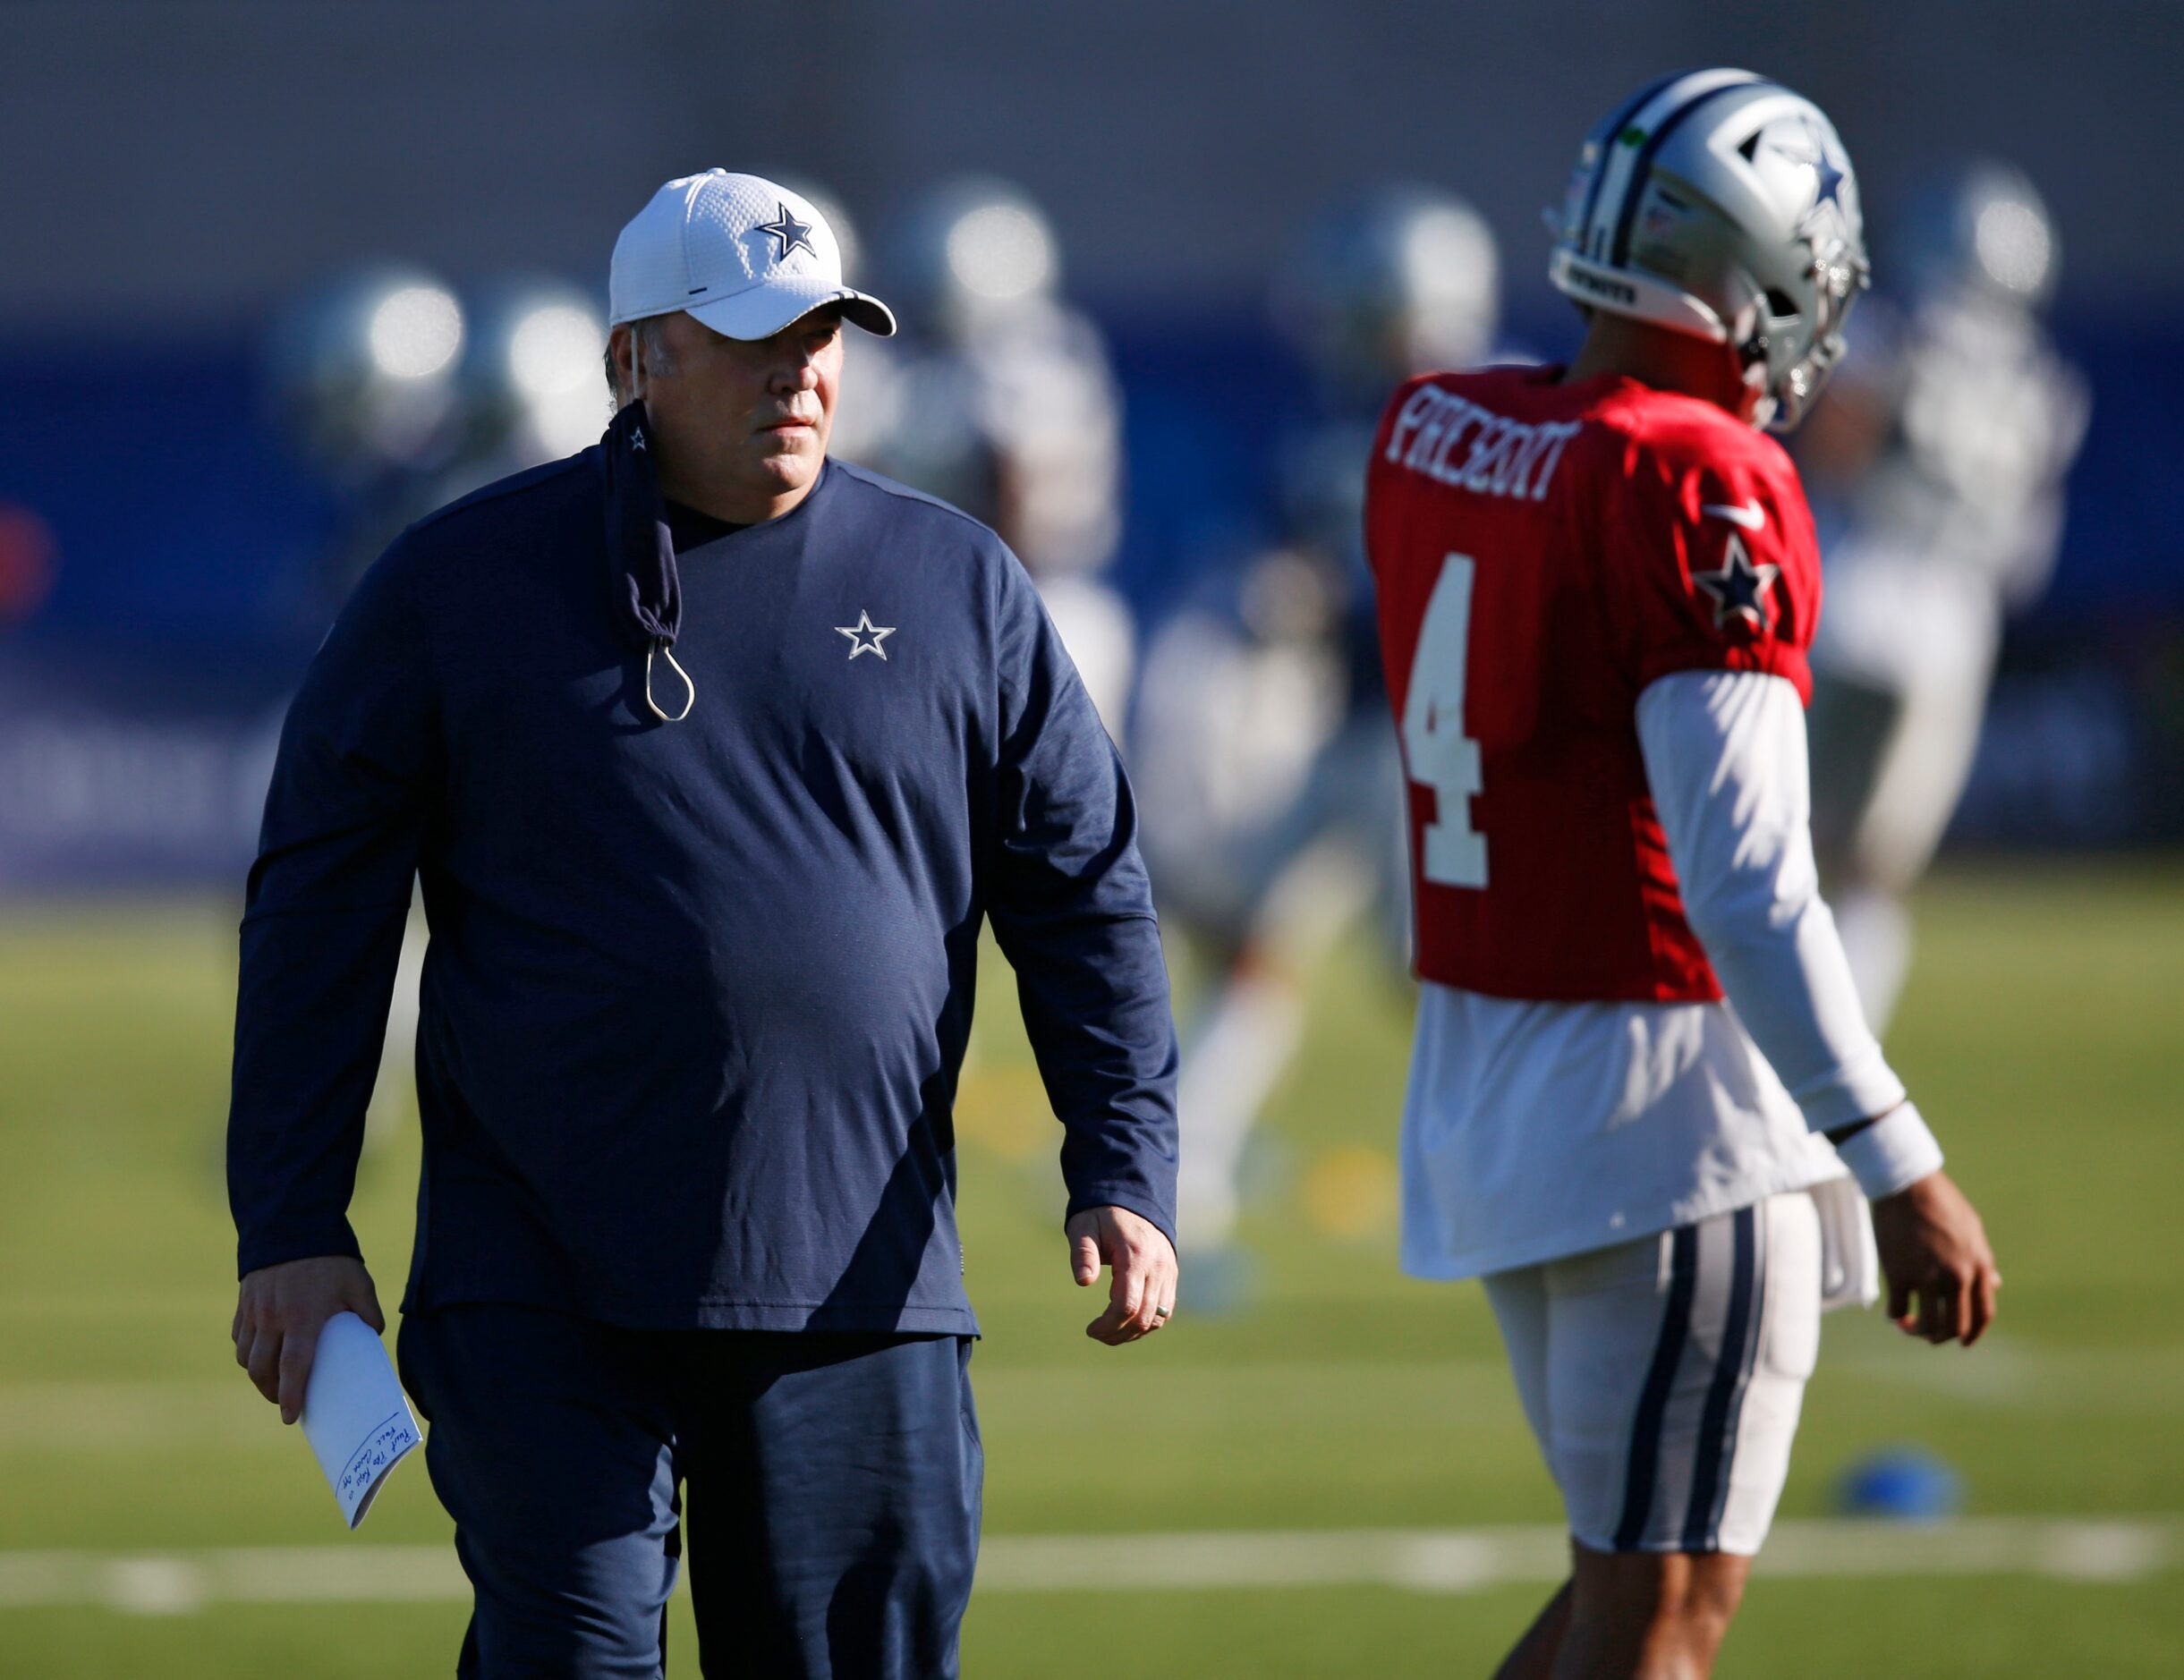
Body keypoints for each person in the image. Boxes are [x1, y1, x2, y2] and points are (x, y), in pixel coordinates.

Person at [226, 168, 1180, 1680]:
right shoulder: (459, 585)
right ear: (634, 360)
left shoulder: (958, 584)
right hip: (541, 1272)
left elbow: (1085, 892)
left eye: (822, 329)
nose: (799, 367)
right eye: (749, 335)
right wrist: (290, 1224)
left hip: (859, 1285)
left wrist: (1123, 1160)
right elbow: (315, 908)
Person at [1364, 72, 2001, 1678]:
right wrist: (1899, 1158)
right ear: (1751, 264)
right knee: (1659, 1628)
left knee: (1618, 1597)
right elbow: (1749, 880)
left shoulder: (1440, 423)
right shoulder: (1693, 473)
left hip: (1491, 1076)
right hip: (1667, 1102)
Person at [1137, 183, 1508, 1268]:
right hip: (1346, 730)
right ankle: (1187, 1166)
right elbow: (1311, 559)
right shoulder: (1352, 414)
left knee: (1430, 977)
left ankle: (1504, 1156)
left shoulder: (1482, 422)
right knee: (1251, 938)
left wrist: (1333, 598)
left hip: (1431, 740)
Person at [1797, 161, 2089, 1032]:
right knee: (1874, 874)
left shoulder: (1892, 334)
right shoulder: (2046, 380)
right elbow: (2026, 550)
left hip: (1852, 597)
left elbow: (1832, 446)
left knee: (1782, 847)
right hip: (1953, 624)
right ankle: (1842, 1061)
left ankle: (1764, 1050)